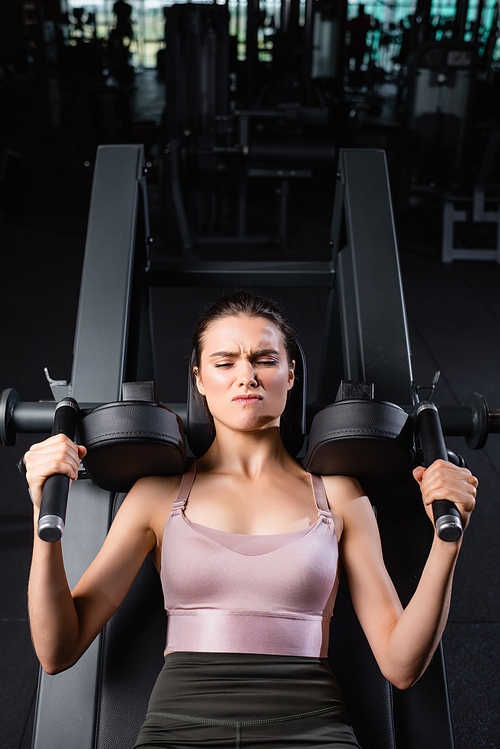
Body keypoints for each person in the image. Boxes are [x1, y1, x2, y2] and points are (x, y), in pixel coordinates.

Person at [25, 291, 477, 748]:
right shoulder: (157, 496)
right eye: (225, 363)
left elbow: (400, 666)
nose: (247, 376)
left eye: (264, 359)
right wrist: (44, 517)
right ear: (199, 379)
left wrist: (448, 542)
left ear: (290, 373)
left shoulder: (339, 495)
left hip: (313, 728)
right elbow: (57, 651)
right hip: (179, 729)